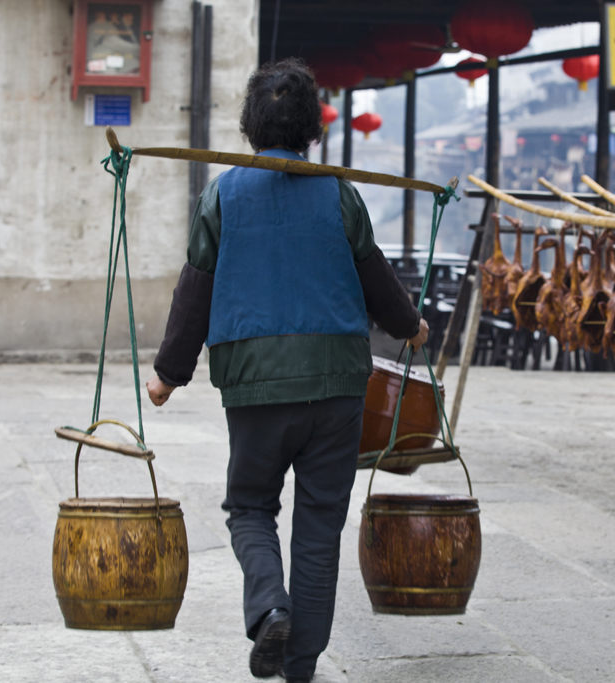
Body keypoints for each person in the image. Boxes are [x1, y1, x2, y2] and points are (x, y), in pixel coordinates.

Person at [145, 58, 428, 683]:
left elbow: (196, 290)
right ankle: (300, 667)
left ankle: (270, 607)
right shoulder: (339, 192)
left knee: (250, 506)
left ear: (251, 126)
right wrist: (411, 326)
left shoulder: (222, 195)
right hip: (337, 384)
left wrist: (168, 374)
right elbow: (375, 277)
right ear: (311, 129)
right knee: (320, 525)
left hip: (255, 384)